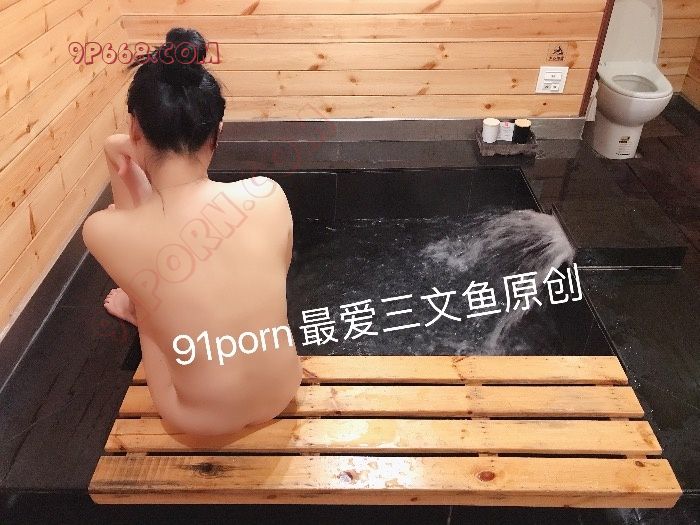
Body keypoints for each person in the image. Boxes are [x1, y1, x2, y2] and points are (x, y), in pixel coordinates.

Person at [82, 28, 302, 436]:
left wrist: (116, 155)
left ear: (135, 129)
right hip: (284, 388)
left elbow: (133, 231)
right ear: (217, 132)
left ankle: (135, 311)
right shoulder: (269, 194)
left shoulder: (100, 230)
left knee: (147, 295)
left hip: (197, 418)